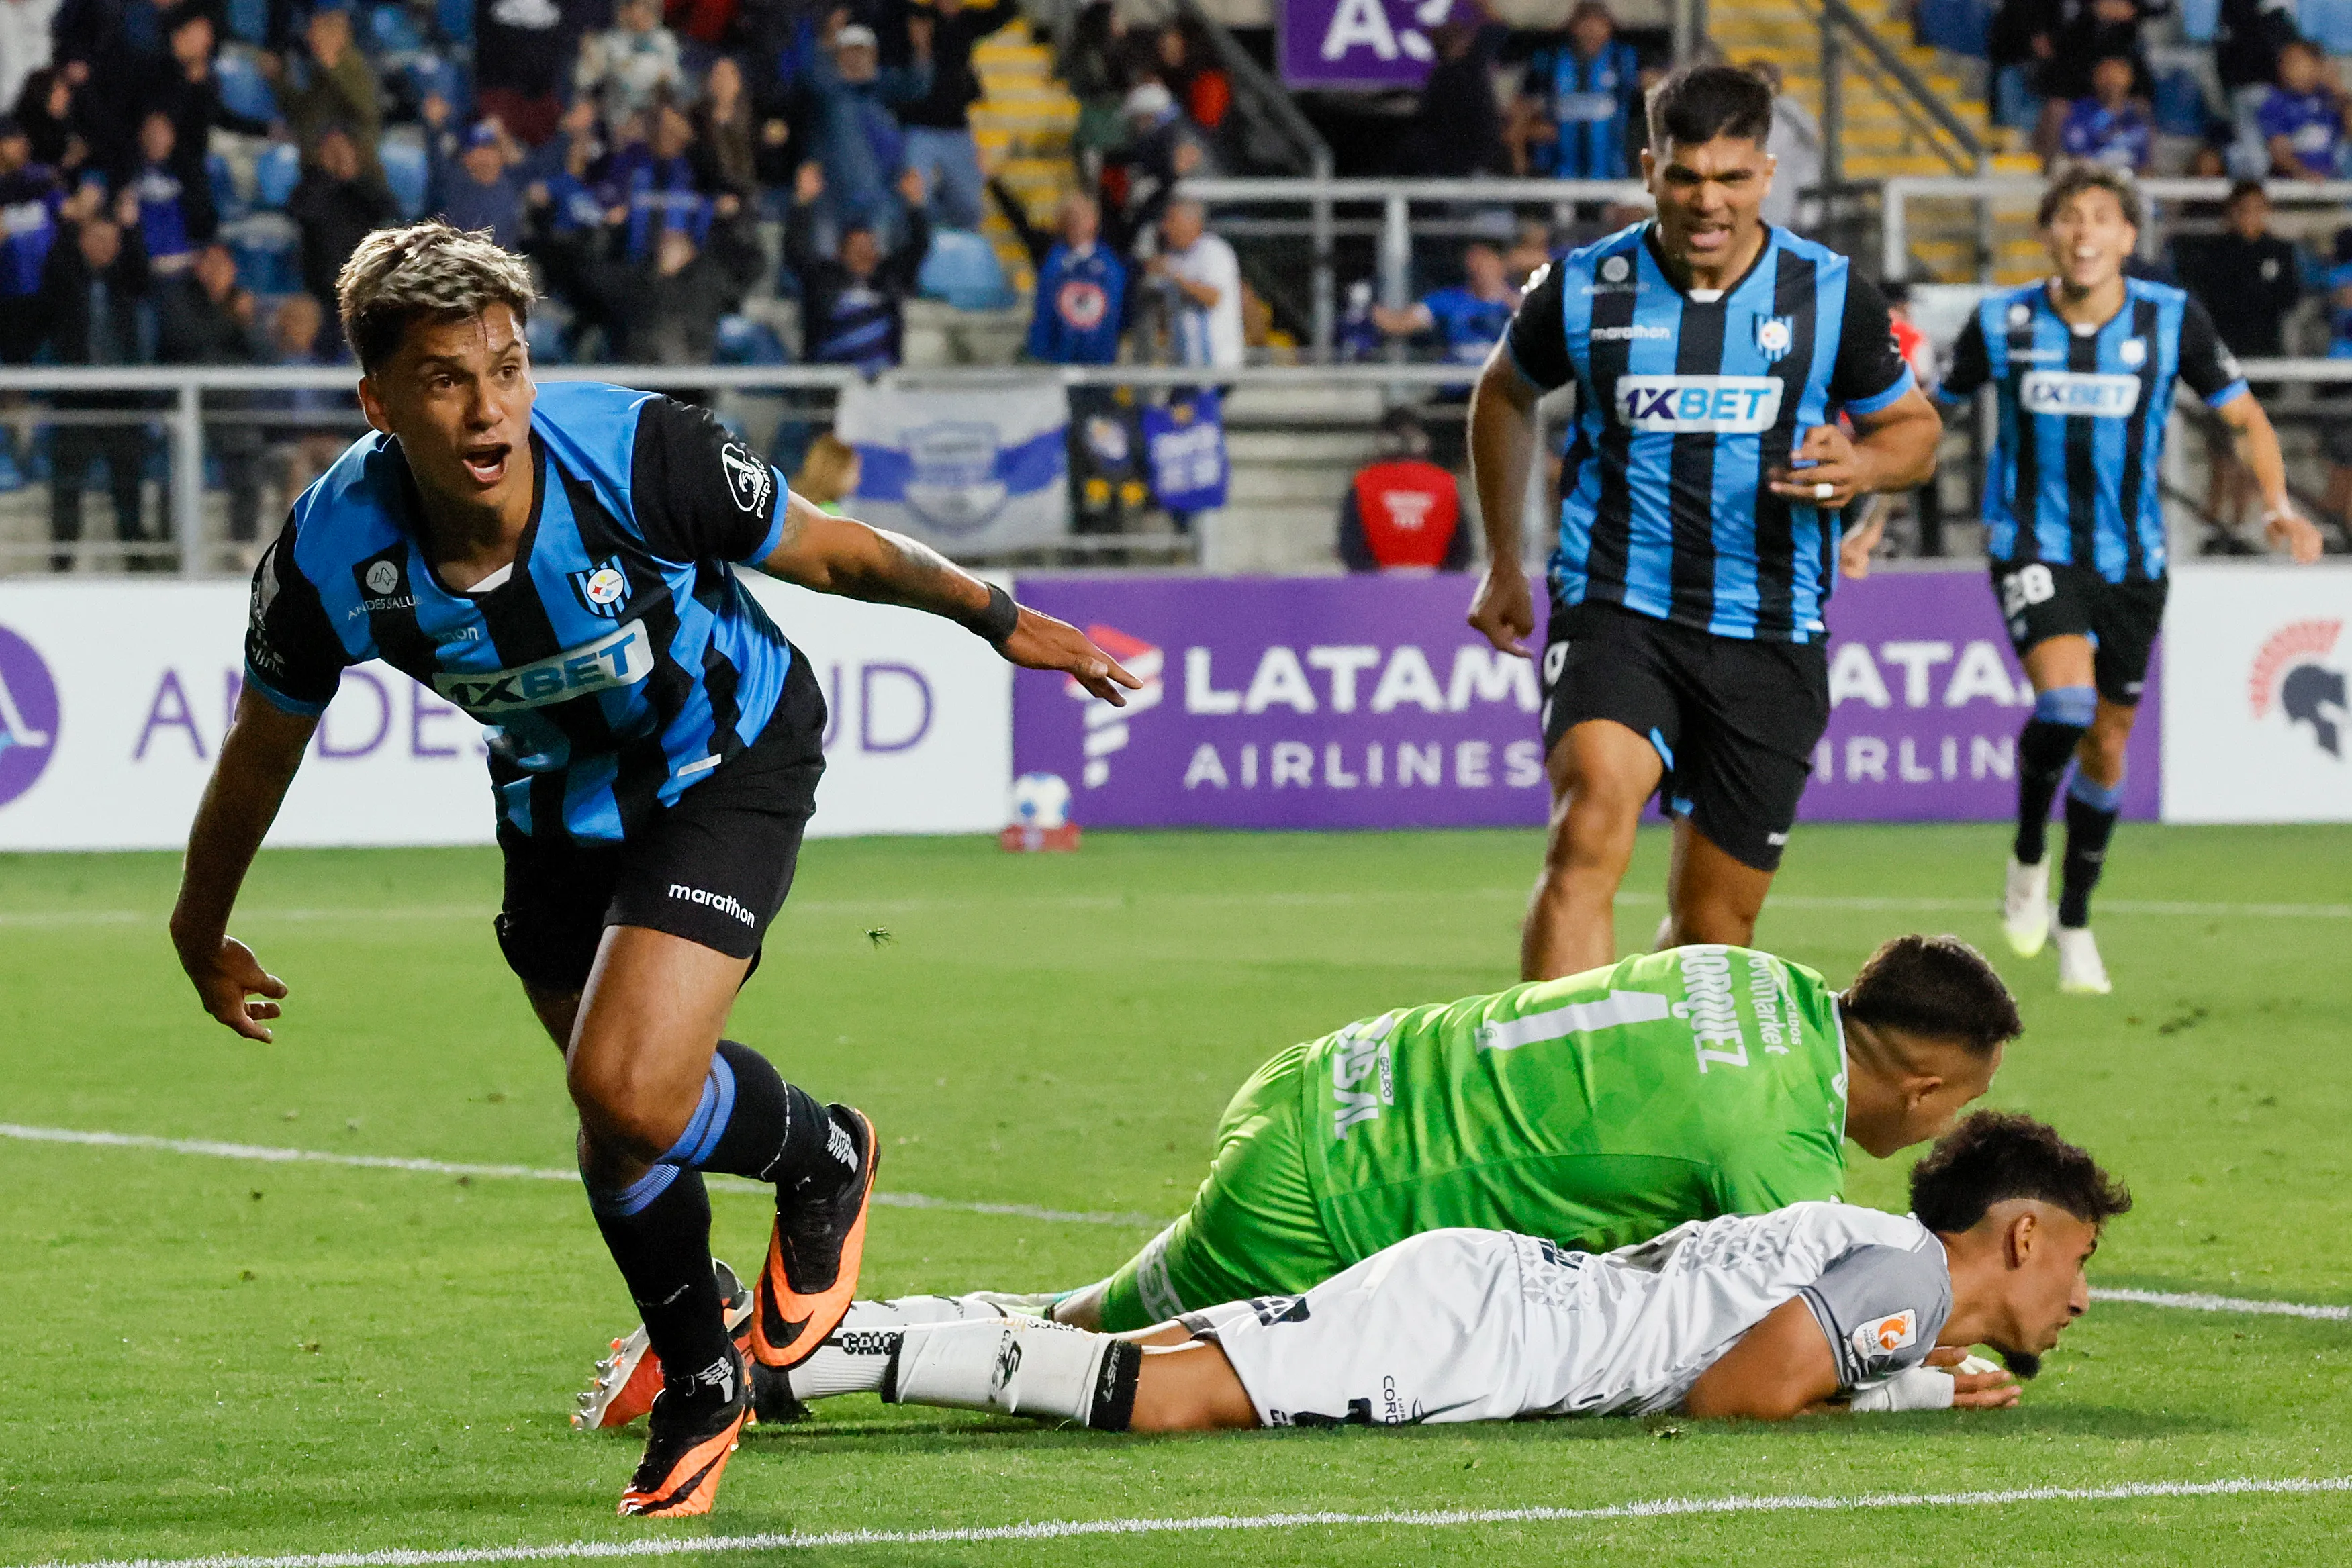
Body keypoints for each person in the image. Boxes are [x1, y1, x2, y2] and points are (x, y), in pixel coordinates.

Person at [168, 220, 1139, 1516]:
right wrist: (198, 925)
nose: (486, 405)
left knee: (625, 1085)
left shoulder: (638, 452)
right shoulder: (329, 557)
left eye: (505, 367)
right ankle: (703, 1372)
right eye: (446, 378)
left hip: (724, 754)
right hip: (556, 801)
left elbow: (835, 549)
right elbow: (258, 751)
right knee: (618, 1124)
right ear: (377, 399)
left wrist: (1001, 617)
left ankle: (821, 1158)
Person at [730, 1112, 2126, 1438]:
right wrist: (1892, 1402)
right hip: (1489, 1333)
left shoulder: (1873, 1264)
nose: (2078, 1288)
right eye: (2076, 1253)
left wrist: (1895, 1379)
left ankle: (809, 1335)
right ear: (2018, 1233)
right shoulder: (1897, 1275)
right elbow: (1736, 1394)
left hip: (1492, 1297)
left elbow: (1765, 1352)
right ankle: (802, 1351)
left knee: (1160, 1368)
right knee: (1161, 1400)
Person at [1464, 65, 1942, 981]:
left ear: (1764, 174)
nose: (1706, 201)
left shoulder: (1828, 294)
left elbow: (1912, 434)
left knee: (1713, 928)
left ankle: (1644, 1066)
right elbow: (1502, 392)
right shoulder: (1584, 285)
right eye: (1685, 177)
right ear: (1650, 170)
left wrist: (1862, 465)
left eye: (1729, 178)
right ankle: (1557, 1095)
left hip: (1767, 626)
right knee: (1587, 827)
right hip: (1617, 604)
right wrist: (1501, 560)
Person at [1932, 166, 2323, 994]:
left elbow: (2244, 415)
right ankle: (2027, 849)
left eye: (2099, 219)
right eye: (2067, 218)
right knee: (2065, 706)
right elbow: (1932, 416)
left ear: (2125, 238)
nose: (2082, 234)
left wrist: (2278, 505)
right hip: (2033, 546)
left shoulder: (2168, 318)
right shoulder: (2002, 320)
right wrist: (1864, 515)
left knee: (2107, 743)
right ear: (2047, 232)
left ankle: (2074, 919)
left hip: (2134, 564)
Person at [2174, 180, 2300, 536]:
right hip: (2223, 363)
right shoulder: (2215, 253)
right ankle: (2218, 523)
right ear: (2231, 213)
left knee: (2254, 442)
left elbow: (2288, 298)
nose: (2251, 217)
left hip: (2265, 358)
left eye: (2258, 209)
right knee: (2221, 448)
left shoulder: (2280, 250)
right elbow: (2217, 302)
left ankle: (2243, 523)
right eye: (2244, 209)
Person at [41, 197, 154, 572]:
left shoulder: (125, 281)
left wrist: (132, 229)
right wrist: (70, 222)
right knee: (67, 480)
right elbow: (54, 267)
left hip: (123, 399)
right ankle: (62, 559)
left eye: (112, 240)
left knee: (129, 481)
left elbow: (144, 274)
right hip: (76, 398)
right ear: (82, 242)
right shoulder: (68, 281)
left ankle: (135, 558)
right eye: (97, 238)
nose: (106, 246)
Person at [156, 240, 266, 548]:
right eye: (210, 265)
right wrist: (228, 317)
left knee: (247, 462)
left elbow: (262, 352)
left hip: (230, 405)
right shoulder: (177, 299)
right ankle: (171, 546)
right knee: (176, 468)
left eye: (223, 266)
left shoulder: (243, 302)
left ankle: (243, 542)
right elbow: (186, 342)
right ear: (198, 267)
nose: (217, 273)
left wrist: (245, 322)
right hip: (185, 405)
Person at [786, 160, 931, 371]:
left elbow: (919, 247)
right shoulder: (822, 279)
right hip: (829, 381)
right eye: (855, 246)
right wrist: (803, 201)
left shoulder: (890, 278)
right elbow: (795, 249)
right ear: (839, 253)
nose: (863, 251)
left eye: (868, 245)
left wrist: (915, 204)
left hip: (882, 383)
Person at [896, 0, 1013, 232]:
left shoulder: (967, 21)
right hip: (919, 127)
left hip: (957, 128)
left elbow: (1006, 11)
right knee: (916, 200)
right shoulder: (919, 17)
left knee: (971, 208)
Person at [1513, 0, 1643, 180]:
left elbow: (1653, 96)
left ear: (1609, 27)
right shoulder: (1550, 60)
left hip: (1614, 171)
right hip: (1557, 170)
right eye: (1585, 22)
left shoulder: (1625, 60)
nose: (1591, 29)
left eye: (1599, 22)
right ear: (1573, 27)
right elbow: (1522, 106)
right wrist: (1521, 151)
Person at [1338, 407, 1470, 571]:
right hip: (1435, 588)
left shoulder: (1363, 483)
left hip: (1376, 589)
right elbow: (1462, 550)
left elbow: (1350, 548)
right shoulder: (1446, 483)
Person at [287, 124, 399, 313]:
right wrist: (328, 175)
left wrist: (352, 177)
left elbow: (390, 213)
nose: (337, 154)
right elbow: (301, 211)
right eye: (330, 149)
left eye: (342, 148)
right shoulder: (312, 185)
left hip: (362, 287)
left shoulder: (368, 185)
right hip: (321, 292)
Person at [1370, 240, 1520, 375]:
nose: (1479, 268)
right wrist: (1369, 310)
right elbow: (1399, 324)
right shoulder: (1447, 300)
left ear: (1502, 265)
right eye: (1474, 260)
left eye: (1486, 260)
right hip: (1456, 387)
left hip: (1502, 388)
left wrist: (1507, 298)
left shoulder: (1520, 302)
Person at [1147, 196, 1240, 375]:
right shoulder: (1175, 256)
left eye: (1171, 220)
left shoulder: (1212, 251)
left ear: (1192, 222)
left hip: (1214, 366)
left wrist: (1175, 277)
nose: (1165, 227)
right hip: (1184, 366)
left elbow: (1212, 297)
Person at [573, 0, 684, 124]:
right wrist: (593, 62)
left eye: (653, 9)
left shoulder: (665, 40)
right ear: (627, 11)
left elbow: (675, 78)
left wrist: (653, 74)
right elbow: (584, 79)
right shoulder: (609, 41)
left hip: (653, 114)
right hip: (617, 114)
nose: (650, 13)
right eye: (644, 7)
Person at [2259, 40, 2350, 179]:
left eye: (2294, 62)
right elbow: (2279, 151)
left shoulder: (2331, 99)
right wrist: (2303, 175)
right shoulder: (2276, 102)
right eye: (2283, 63)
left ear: (2317, 65)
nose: (2285, 69)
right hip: (2292, 187)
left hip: (2332, 182)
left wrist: (2338, 89)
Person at [2055, 54, 2153, 171]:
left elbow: (2145, 160)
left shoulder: (2137, 115)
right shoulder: (2081, 112)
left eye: (2118, 76)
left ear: (2130, 79)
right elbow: (2076, 155)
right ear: (2095, 79)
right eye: (2107, 76)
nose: (2113, 82)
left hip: (2130, 178)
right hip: (2093, 176)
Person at [791, 431, 860, 514]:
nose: (858, 478)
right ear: (835, 471)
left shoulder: (792, 502)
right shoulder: (831, 516)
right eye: (853, 470)